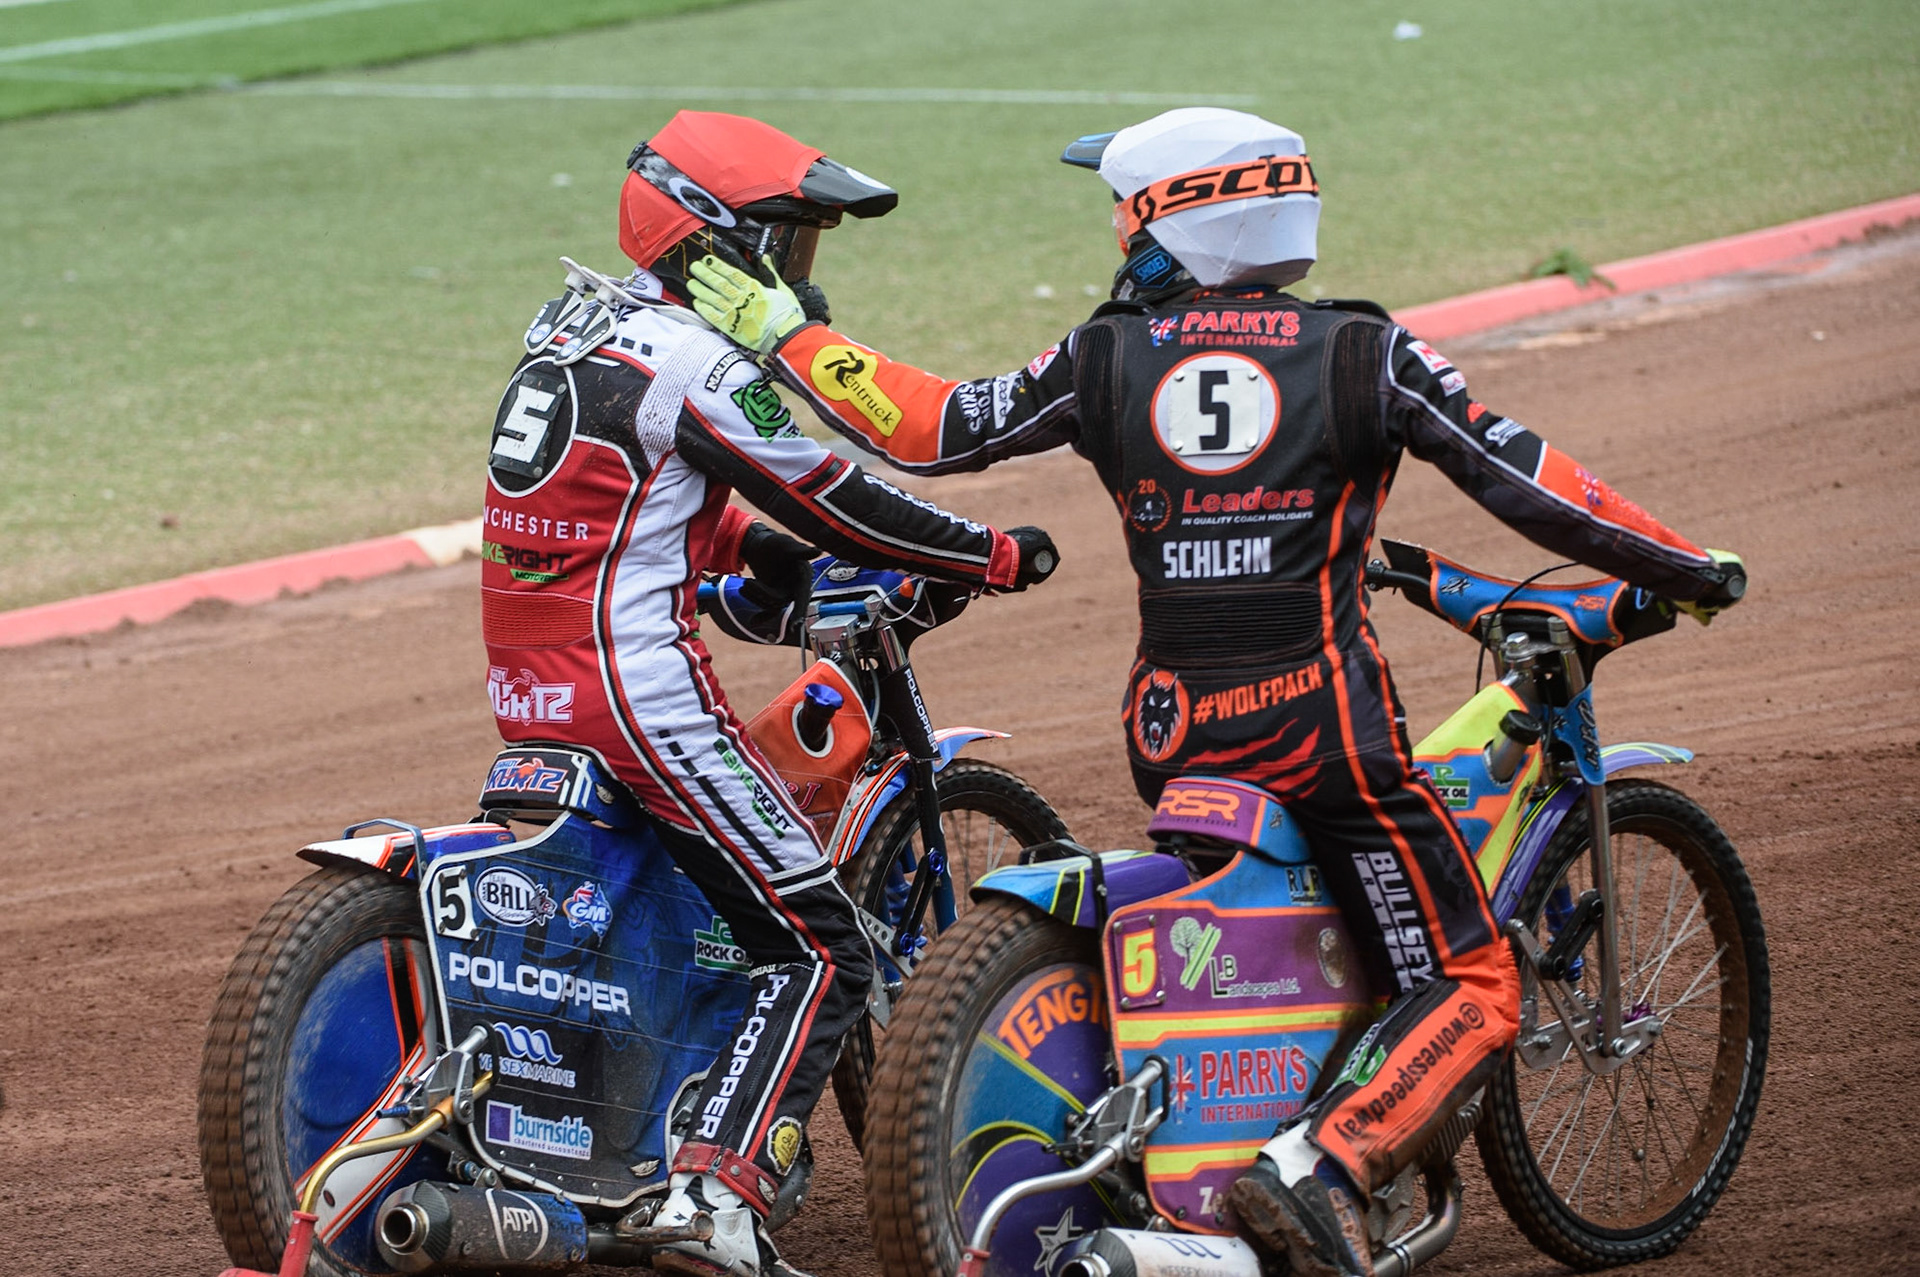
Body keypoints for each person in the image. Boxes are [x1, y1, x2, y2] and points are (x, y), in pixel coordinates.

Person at [686, 107, 1746, 1277]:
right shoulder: (1363, 350)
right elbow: (1534, 482)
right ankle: (1324, 1162)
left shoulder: (1106, 355)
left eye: (1121, 211)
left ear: (1172, 223)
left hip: (1173, 728)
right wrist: (1683, 568)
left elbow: (935, 427)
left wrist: (786, 335)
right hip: (1323, 729)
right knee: (1477, 975)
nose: (1114, 234)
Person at [482, 109, 1057, 1277]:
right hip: (639, 696)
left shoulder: (571, 328)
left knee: (677, 922)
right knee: (820, 944)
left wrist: (768, 570)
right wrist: (987, 553)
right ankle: (714, 1194)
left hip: (530, 690)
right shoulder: (692, 359)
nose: (799, 278)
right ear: (712, 243)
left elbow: (657, 510)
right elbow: (833, 492)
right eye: (785, 246)